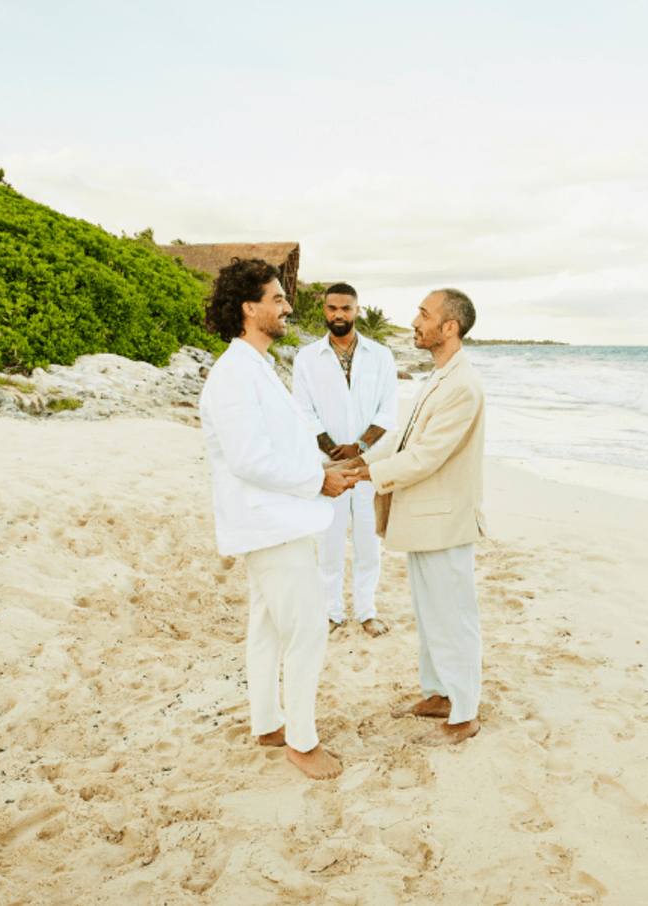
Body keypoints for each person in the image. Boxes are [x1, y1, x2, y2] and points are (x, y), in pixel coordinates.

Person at [197, 258, 358, 780]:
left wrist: (326, 466)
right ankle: (302, 742)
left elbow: (278, 446)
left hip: (277, 518)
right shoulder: (233, 373)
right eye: (277, 298)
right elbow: (248, 458)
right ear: (250, 308)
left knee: (266, 626)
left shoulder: (256, 366)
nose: (287, 307)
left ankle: (268, 721)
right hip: (268, 523)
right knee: (308, 628)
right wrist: (318, 482)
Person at [346, 288, 486, 746]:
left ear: (450, 327)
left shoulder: (462, 384)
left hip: (444, 520)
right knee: (431, 615)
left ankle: (465, 714)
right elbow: (406, 441)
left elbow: (427, 456)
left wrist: (368, 475)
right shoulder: (440, 376)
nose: (415, 321)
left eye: (424, 314)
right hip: (425, 518)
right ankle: (440, 694)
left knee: (454, 616)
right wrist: (359, 460)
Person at [291, 282, 399, 637]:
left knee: (369, 542)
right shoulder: (307, 358)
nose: (338, 315)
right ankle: (331, 612)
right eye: (332, 308)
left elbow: (389, 409)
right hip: (326, 465)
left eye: (346, 308)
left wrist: (360, 448)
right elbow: (303, 411)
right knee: (330, 541)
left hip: (370, 465)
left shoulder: (380, 356)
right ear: (324, 310)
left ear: (356, 310)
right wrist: (333, 449)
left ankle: (367, 611)